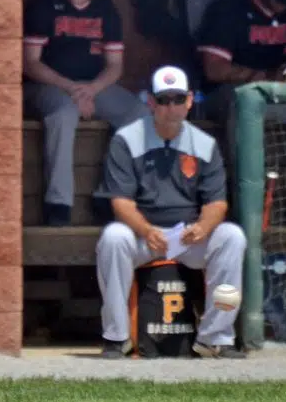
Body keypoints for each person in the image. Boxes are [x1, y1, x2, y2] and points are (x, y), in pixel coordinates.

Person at [93, 65, 248, 360]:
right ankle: (117, 337)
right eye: (164, 100)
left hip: (187, 236)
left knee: (231, 236)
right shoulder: (126, 139)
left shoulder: (205, 144)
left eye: (178, 99)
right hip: (144, 235)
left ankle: (216, 337)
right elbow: (121, 203)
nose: (171, 107)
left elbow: (217, 203)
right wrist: (146, 230)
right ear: (151, 102)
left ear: (190, 100)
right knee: (113, 237)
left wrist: (203, 227)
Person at [23, 0, 149, 226]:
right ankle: (59, 204)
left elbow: (115, 66)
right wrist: (72, 89)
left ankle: (108, 195)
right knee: (63, 113)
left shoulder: (106, 8)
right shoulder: (43, 6)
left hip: (93, 87)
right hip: (48, 85)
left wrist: (91, 90)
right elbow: (30, 62)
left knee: (139, 114)